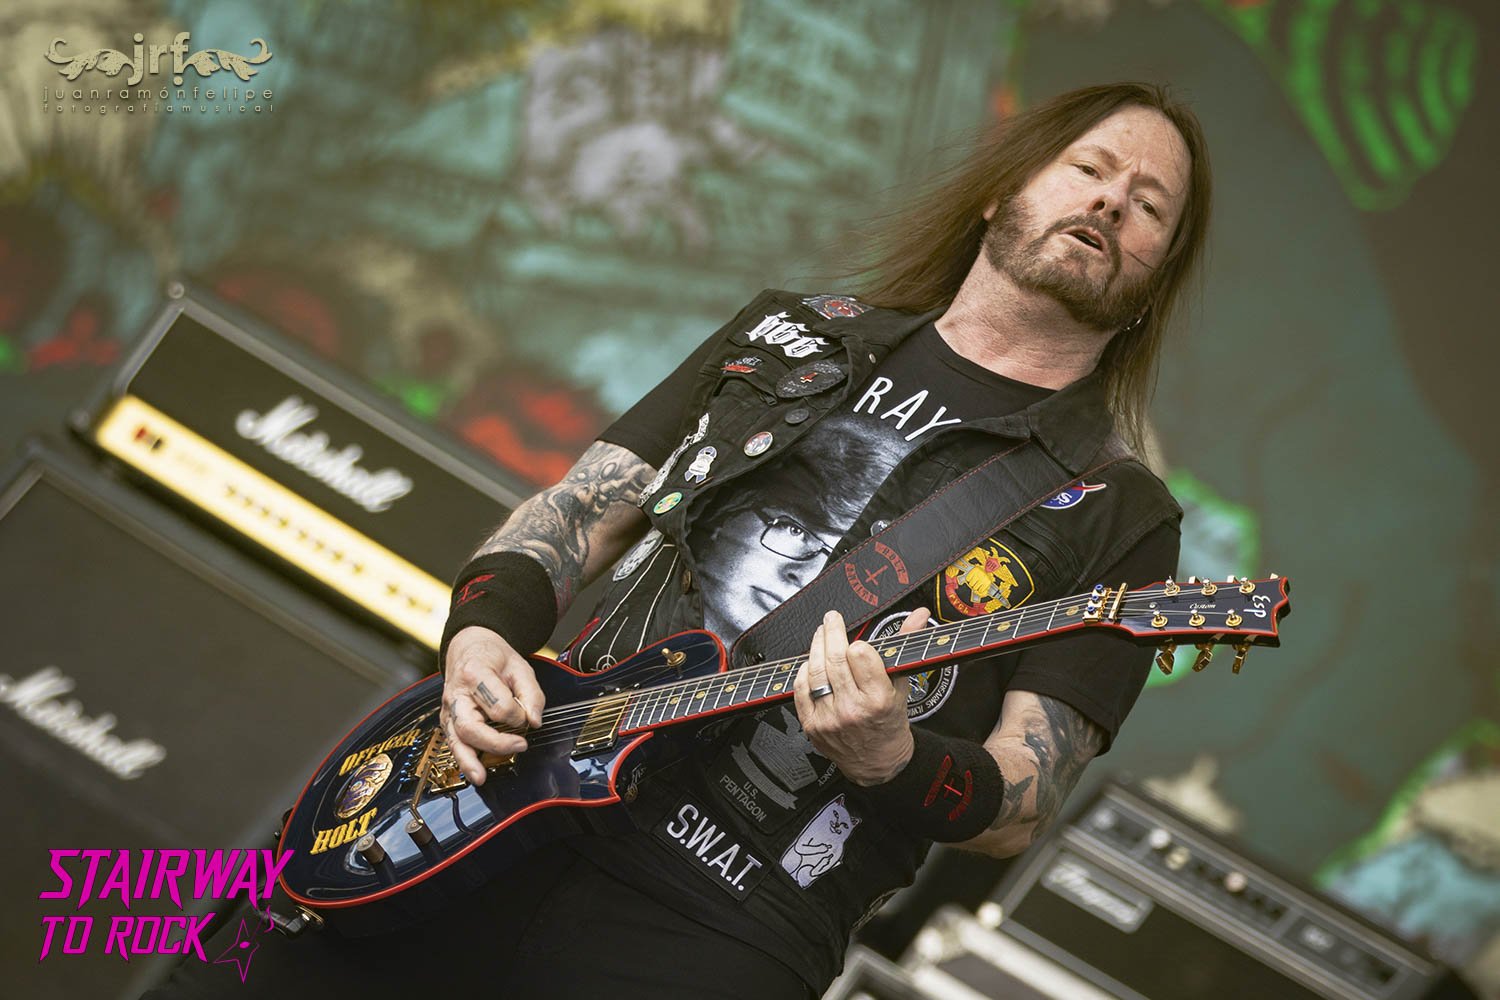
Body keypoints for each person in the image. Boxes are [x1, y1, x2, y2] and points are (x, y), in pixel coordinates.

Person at [145, 81, 1210, 999]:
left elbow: (1024, 796)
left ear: (1153, 278)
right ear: (1002, 191)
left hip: (721, 917)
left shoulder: (1120, 514)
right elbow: (579, 510)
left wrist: (898, 757)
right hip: (499, 792)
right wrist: (479, 638)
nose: (1110, 200)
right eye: (1089, 168)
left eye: (1149, 205)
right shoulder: (794, 333)